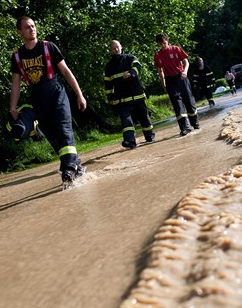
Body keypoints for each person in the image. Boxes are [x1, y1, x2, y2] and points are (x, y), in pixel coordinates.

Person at [9, 16, 86, 186]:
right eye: (27, 27)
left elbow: (66, 71)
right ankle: (77, 167)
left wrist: (79, 94)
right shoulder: (17, 56)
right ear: (19, 31)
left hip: (57, 96)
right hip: (38, 102)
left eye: (33, 26)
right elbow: (16, 83)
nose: (32, 29)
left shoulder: (48, 47)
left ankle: (67, 170)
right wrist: (12, 107)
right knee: (54, 139)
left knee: (64, 131)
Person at [104, 40, 155, 149]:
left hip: (136, 95)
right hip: (121, 98)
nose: (116, 49)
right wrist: (110, 97)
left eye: (117, 47)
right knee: (126, 120)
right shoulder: (109, 66)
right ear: (111, 50)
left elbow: (137, 67)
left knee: (143, 117)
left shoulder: (130, 58)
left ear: (121, 46)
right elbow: (108, 84)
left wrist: (132, 73)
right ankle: (129, 141)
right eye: (113, 48)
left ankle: (149, 135)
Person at [154, 33, 199, 136]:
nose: (163, 44)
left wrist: (185, 72)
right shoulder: (157, 55)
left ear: (167, 40)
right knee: (177, 103)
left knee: (188, 100)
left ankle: (195, 123)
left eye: (164, 41)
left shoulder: (176, 49)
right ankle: (184, 128)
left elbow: (186, 62)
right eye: (160, 43)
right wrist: (163, 84)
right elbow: (160, 71)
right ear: (158, 43)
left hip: (181, 77)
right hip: (170, 80)